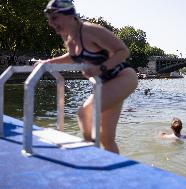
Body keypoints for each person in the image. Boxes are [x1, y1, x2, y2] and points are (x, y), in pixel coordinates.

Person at [40, 0, 138, 154]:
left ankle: (90, 152)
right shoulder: (68, 37)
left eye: (54, 17)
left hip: (123, 78)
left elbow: (123, 51)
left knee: (84, 113)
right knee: (106, 138)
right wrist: (48, 62)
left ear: (69, 15)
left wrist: (100, 68)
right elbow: (72, 57)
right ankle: (114, 173)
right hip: (106, 84)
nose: (51, 23)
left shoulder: (91, 30)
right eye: (49, 18)